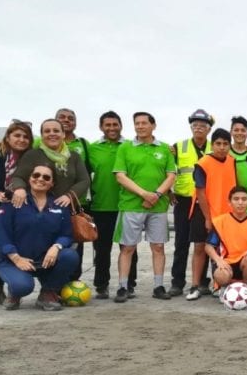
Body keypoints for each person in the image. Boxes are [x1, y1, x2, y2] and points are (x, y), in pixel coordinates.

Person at [10, 118, 90, 280]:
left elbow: (84, 180)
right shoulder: (33, 154)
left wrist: (69, 195)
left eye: (56, 131)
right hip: (36, 211)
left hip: (64, 212)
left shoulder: (73, 156)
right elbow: (18, 177)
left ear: (63, 134)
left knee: (68, 250)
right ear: (41, 135)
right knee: (38, 248)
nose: (52, 134)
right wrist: (19, 189)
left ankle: (67, 285)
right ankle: (28, 285)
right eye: (47, 131)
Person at [0, 165, 79, 311]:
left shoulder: (59, 205)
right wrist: (16, 258)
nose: (40, 179)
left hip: (45, 261)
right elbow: (0, 235)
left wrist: (56, 246)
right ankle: (15, 293)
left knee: (70, 256)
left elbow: (66, 235)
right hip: (14, 261)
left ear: (52, 183)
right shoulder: (12, 202)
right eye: (36, 175)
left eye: (46, 177)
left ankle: (47, 292)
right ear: (29, 179)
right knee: (23, 286)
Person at [113, 111, 176, 302]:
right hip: (131, 206)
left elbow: (171, 175)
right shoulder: (125, 148)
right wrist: (144, 194)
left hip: (158, 207)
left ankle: (158, 286)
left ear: (153, 125)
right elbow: (120, 175)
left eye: (144, 123)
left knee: (158, 247)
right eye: (137, 123)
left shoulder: (165, 149)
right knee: (127, 248)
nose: (140, 126)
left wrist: (156, 195)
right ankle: (123, 287)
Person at [87, 111, 138, 299]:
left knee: (129, 247)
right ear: (101, 127)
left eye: (115, 124)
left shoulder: (131, 147)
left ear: (121, 126)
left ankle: (129, 284)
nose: (111, 128)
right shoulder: (92, 149)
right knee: (102, 249)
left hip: (128, 206)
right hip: (101, 206)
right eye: (107, 125)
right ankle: (101, 285)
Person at [187, 128, 237, 300]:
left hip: (225, 214)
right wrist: (208, 218)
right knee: (200, 248)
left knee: (221, 251)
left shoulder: (232, 161)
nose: (222, 147)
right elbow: (200, 192)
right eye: (218, 144)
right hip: (204, 212)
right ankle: (195, 286)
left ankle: (219, 285)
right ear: (212, 144)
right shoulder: (203, 163)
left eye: (225, 144)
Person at [169, 109, 212, 297]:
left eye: (202, 125)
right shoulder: (178, 147)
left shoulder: (215, 146)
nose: (199, 128)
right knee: (181, 242)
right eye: (195, 125)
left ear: (209, 129)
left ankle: (203, 282)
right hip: (184, 200)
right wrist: (169, 191)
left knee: (202, 243)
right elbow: (168, 170)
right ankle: (177, 283)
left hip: (204, 202)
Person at [0, 120, 33, 305]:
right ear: (7, 137)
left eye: (25, 136)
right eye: (17, 135)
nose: (21, 139)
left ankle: (14, 289)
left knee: (15, 244)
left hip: (20, 207)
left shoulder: (31, 157)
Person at [204, 186, 247, 293]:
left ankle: (246, 292)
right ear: (229, 203)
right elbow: (208, 246)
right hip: (227, 262)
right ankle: (224, 290)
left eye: (244, 199)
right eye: (236, 199)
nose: (240, 202)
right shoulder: (220, 221)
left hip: (245, 264)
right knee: (221, 275)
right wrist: (219, 260)